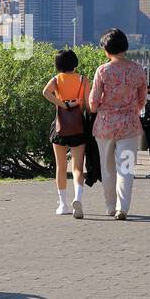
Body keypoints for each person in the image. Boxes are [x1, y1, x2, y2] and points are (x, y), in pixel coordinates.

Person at [88, 29, 148, 221]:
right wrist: (131, 109)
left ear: (106, 49)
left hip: (105, 126)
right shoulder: (138, 69)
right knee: (127, 168)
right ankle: (123, 207)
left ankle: (110, 206)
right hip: (130, 126)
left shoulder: (103, 71)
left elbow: (93, 102)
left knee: (107, 168)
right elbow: (142, 99)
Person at [42, 48, 90, 217]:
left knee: (61, 167)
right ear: (75, 63)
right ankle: (78, 198)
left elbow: (45, 92)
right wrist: (76, 104)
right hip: (78, 126)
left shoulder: (56, 79)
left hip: (60, 126)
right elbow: (89, 105)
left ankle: (63, 204)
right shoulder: (83, 80)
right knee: (77, 167)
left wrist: (63, 104)